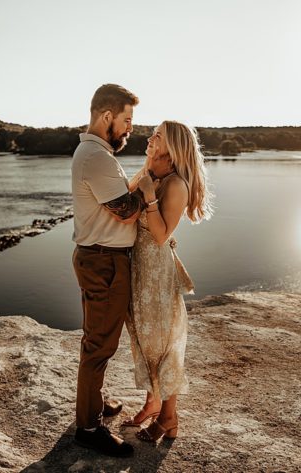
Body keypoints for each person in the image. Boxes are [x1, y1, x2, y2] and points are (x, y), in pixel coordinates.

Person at [121, 120, 212, 443]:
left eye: (157, 136)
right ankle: (152, 403)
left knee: (163, 344)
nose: (150, 137)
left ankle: (170, 419)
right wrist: (144, 178)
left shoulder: (175, 185)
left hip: (157, 274)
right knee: (144, 341)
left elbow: (160, 236)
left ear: (171, 149)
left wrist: (148, 195)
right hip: (138, 270)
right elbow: (125, 213)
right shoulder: (152, 175)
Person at [69, 83, 145, 458]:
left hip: (100, 258)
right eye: (127, 120)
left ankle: (93, 405)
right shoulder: (96, 157)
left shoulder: (96, 152)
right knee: (99, 345)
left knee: (98, 340)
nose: (130, 128)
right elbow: (127, 209)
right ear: (107, 117)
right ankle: (87, 428)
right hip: (104, 261)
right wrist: (149, 181)